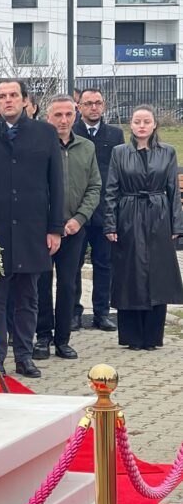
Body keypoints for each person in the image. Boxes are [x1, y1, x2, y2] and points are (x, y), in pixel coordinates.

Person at [0, 79, 64, 379]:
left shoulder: (45, 133)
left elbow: (56, 184)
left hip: (33, 229)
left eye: (13, 95)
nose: (8, 100)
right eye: (2, 96)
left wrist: (55, 229)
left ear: (24, 100)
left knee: (28, 297)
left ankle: (24, 356)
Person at [103, 105, 183, 351]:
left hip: (159, 215)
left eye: (146, 121)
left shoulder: (167, 152)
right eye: (137, 121)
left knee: (157, 275)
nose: (141, 126)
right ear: (131, 124)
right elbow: (111, 189)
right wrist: (110, 223)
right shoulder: (119, 152)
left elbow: (173, 190)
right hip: (128, 215)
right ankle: (132, 337)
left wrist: (176, 224)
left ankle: (152, 337)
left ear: (154, 124)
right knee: (130, 274)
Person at [33, 96, 101, 361]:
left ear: (75, 116)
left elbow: (94, 186)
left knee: (68, 285)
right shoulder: (37, 147)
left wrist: (79, 219)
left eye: (68, 115)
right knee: (41, 285)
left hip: (74, 229)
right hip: (42, 230)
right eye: (57, 115)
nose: (63, 120)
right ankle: (42, 336)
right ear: (47, 117)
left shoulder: (86, 147)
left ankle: (63, 339)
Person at [73, 88, 124, 332]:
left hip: (105, 209)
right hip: (77, 211)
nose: (94, 107)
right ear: (79, 107)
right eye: (88, 103)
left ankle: (102, 313)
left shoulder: (114, 134)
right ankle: (73, 312)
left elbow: (119, 171)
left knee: (104, 265)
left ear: (103, 105)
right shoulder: (71, 132)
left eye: (98, 103)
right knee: (73, 266)